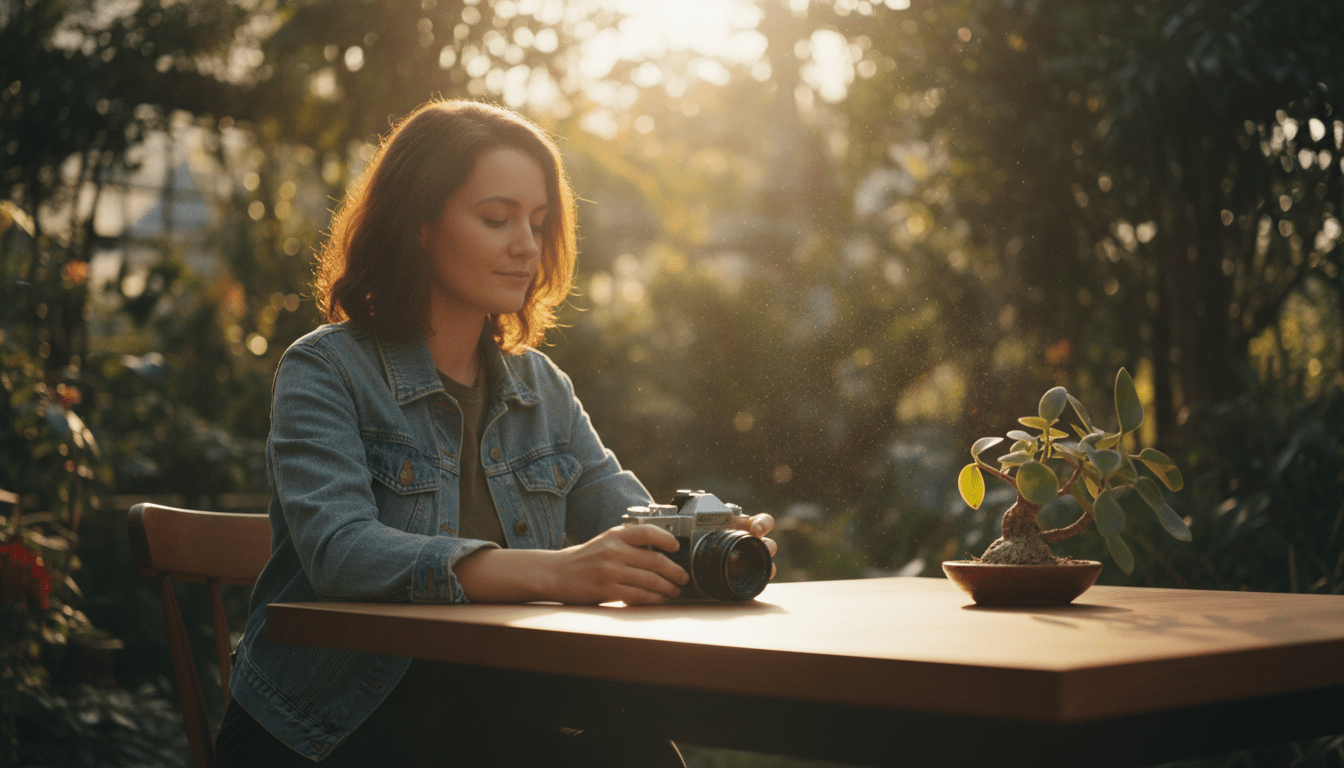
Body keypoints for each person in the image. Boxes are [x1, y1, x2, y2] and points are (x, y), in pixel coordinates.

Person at [215, 99, 778, 766]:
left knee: (640, 751)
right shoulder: (325, 369)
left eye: (538, 224)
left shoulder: (539, 387)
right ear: (419, 224)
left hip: (489, 715)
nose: (526, 246)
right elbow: (341, 552)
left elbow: (623, 511)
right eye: (496, 218)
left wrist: (707, 545)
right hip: (333, 728)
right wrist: (562, 572)